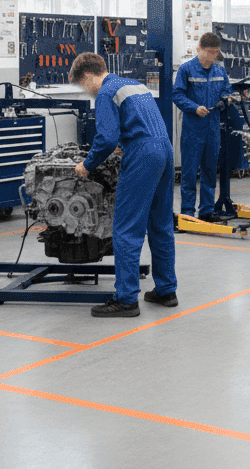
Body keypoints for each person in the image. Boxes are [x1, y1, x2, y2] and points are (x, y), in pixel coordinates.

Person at [70, 52, 176, 318]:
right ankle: (166, 290)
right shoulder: (135, 85)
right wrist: (125, 145)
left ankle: (126, 299)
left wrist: (87, 165)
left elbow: (105, 138)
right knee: (160, 224)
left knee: (127, 228)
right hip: (164, 150)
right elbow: (140, 125)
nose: (87, 91)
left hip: (142, 156)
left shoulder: (106, 93)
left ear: (90, 76)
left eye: (84, 85)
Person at [172, 32, 233, 221]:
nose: (214, 56)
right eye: (211, 52)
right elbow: (178, 95)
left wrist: (227, 99)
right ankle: (188, 212)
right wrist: (194, 107)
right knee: (190, 172)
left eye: (217, 52)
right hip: (193, 128)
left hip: (213, 128)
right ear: (201, 49)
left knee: (209, 171)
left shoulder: (219, 70)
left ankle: (206, 211)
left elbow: (227, 89)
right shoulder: (186, 70)